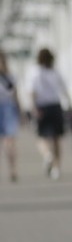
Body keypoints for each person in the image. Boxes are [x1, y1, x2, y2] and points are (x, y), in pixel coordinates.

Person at [24, 48, 71, 178]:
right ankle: (57, 167)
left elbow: (31, 91)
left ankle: (47, 155)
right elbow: (64, 89)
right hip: (55, 106)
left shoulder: (34, 72)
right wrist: (70, 105)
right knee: (56, 139)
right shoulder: (55, 71)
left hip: (42, 107)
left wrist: (33, 107)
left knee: (41, 137)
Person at [0, 51, 20, 181]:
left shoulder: (9, 78)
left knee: (9, 141)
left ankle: (12, 169)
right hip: (5, 108)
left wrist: (20, 111)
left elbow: (15, 94)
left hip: (7, 108)